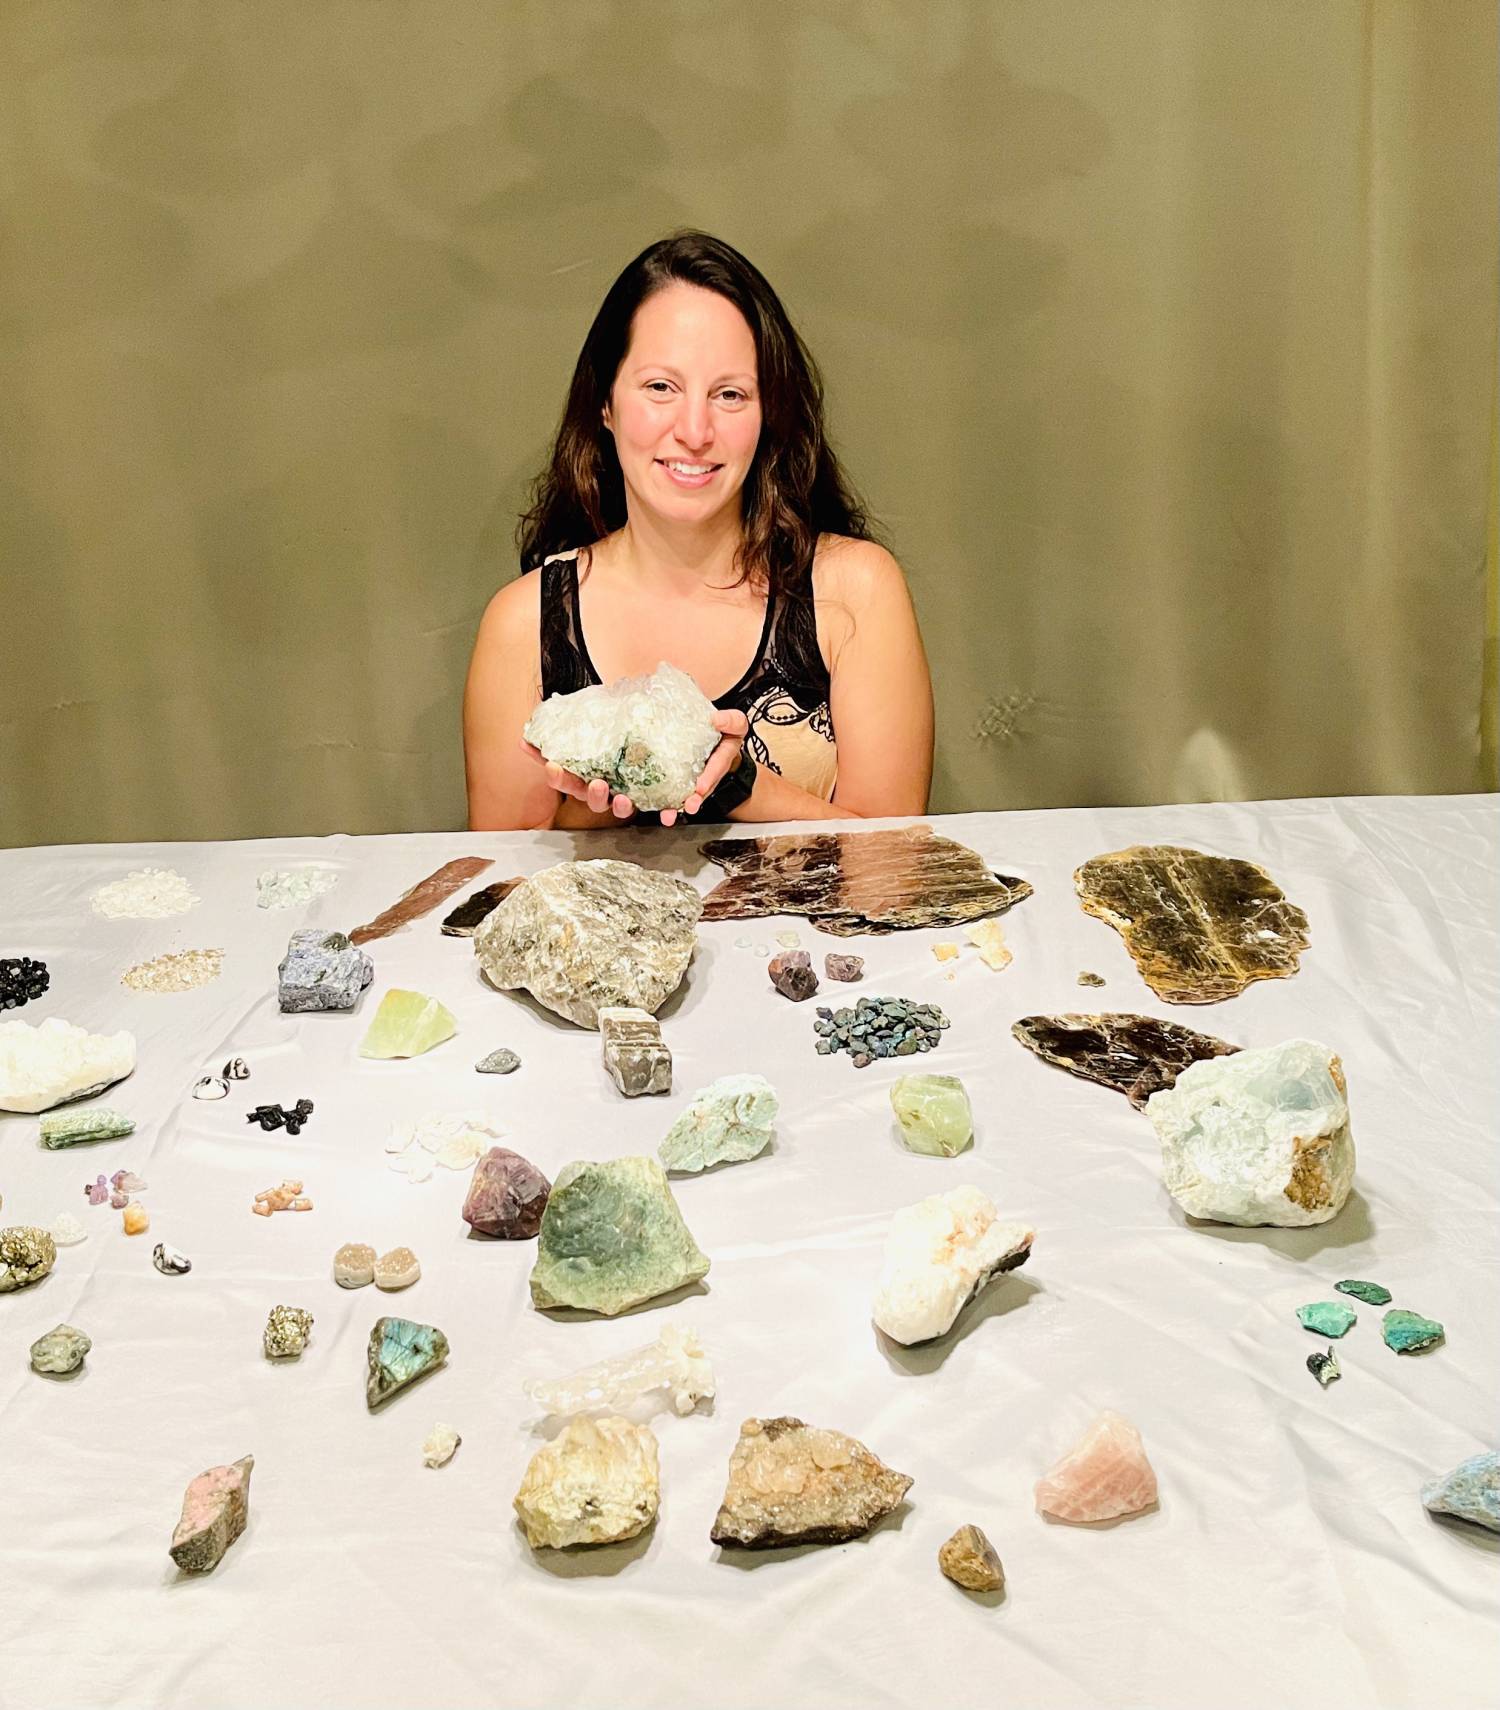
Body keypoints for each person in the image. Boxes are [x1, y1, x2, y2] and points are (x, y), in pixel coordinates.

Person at [463, 231, 933, 831]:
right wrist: (608, 796)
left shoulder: (854, 591)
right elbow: (509, 893)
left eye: (730, 395)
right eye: (661, 387)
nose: (694, 430)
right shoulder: (524, 623)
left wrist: (733, 786)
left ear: (769, 417)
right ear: (605, 403)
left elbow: (895, 865)